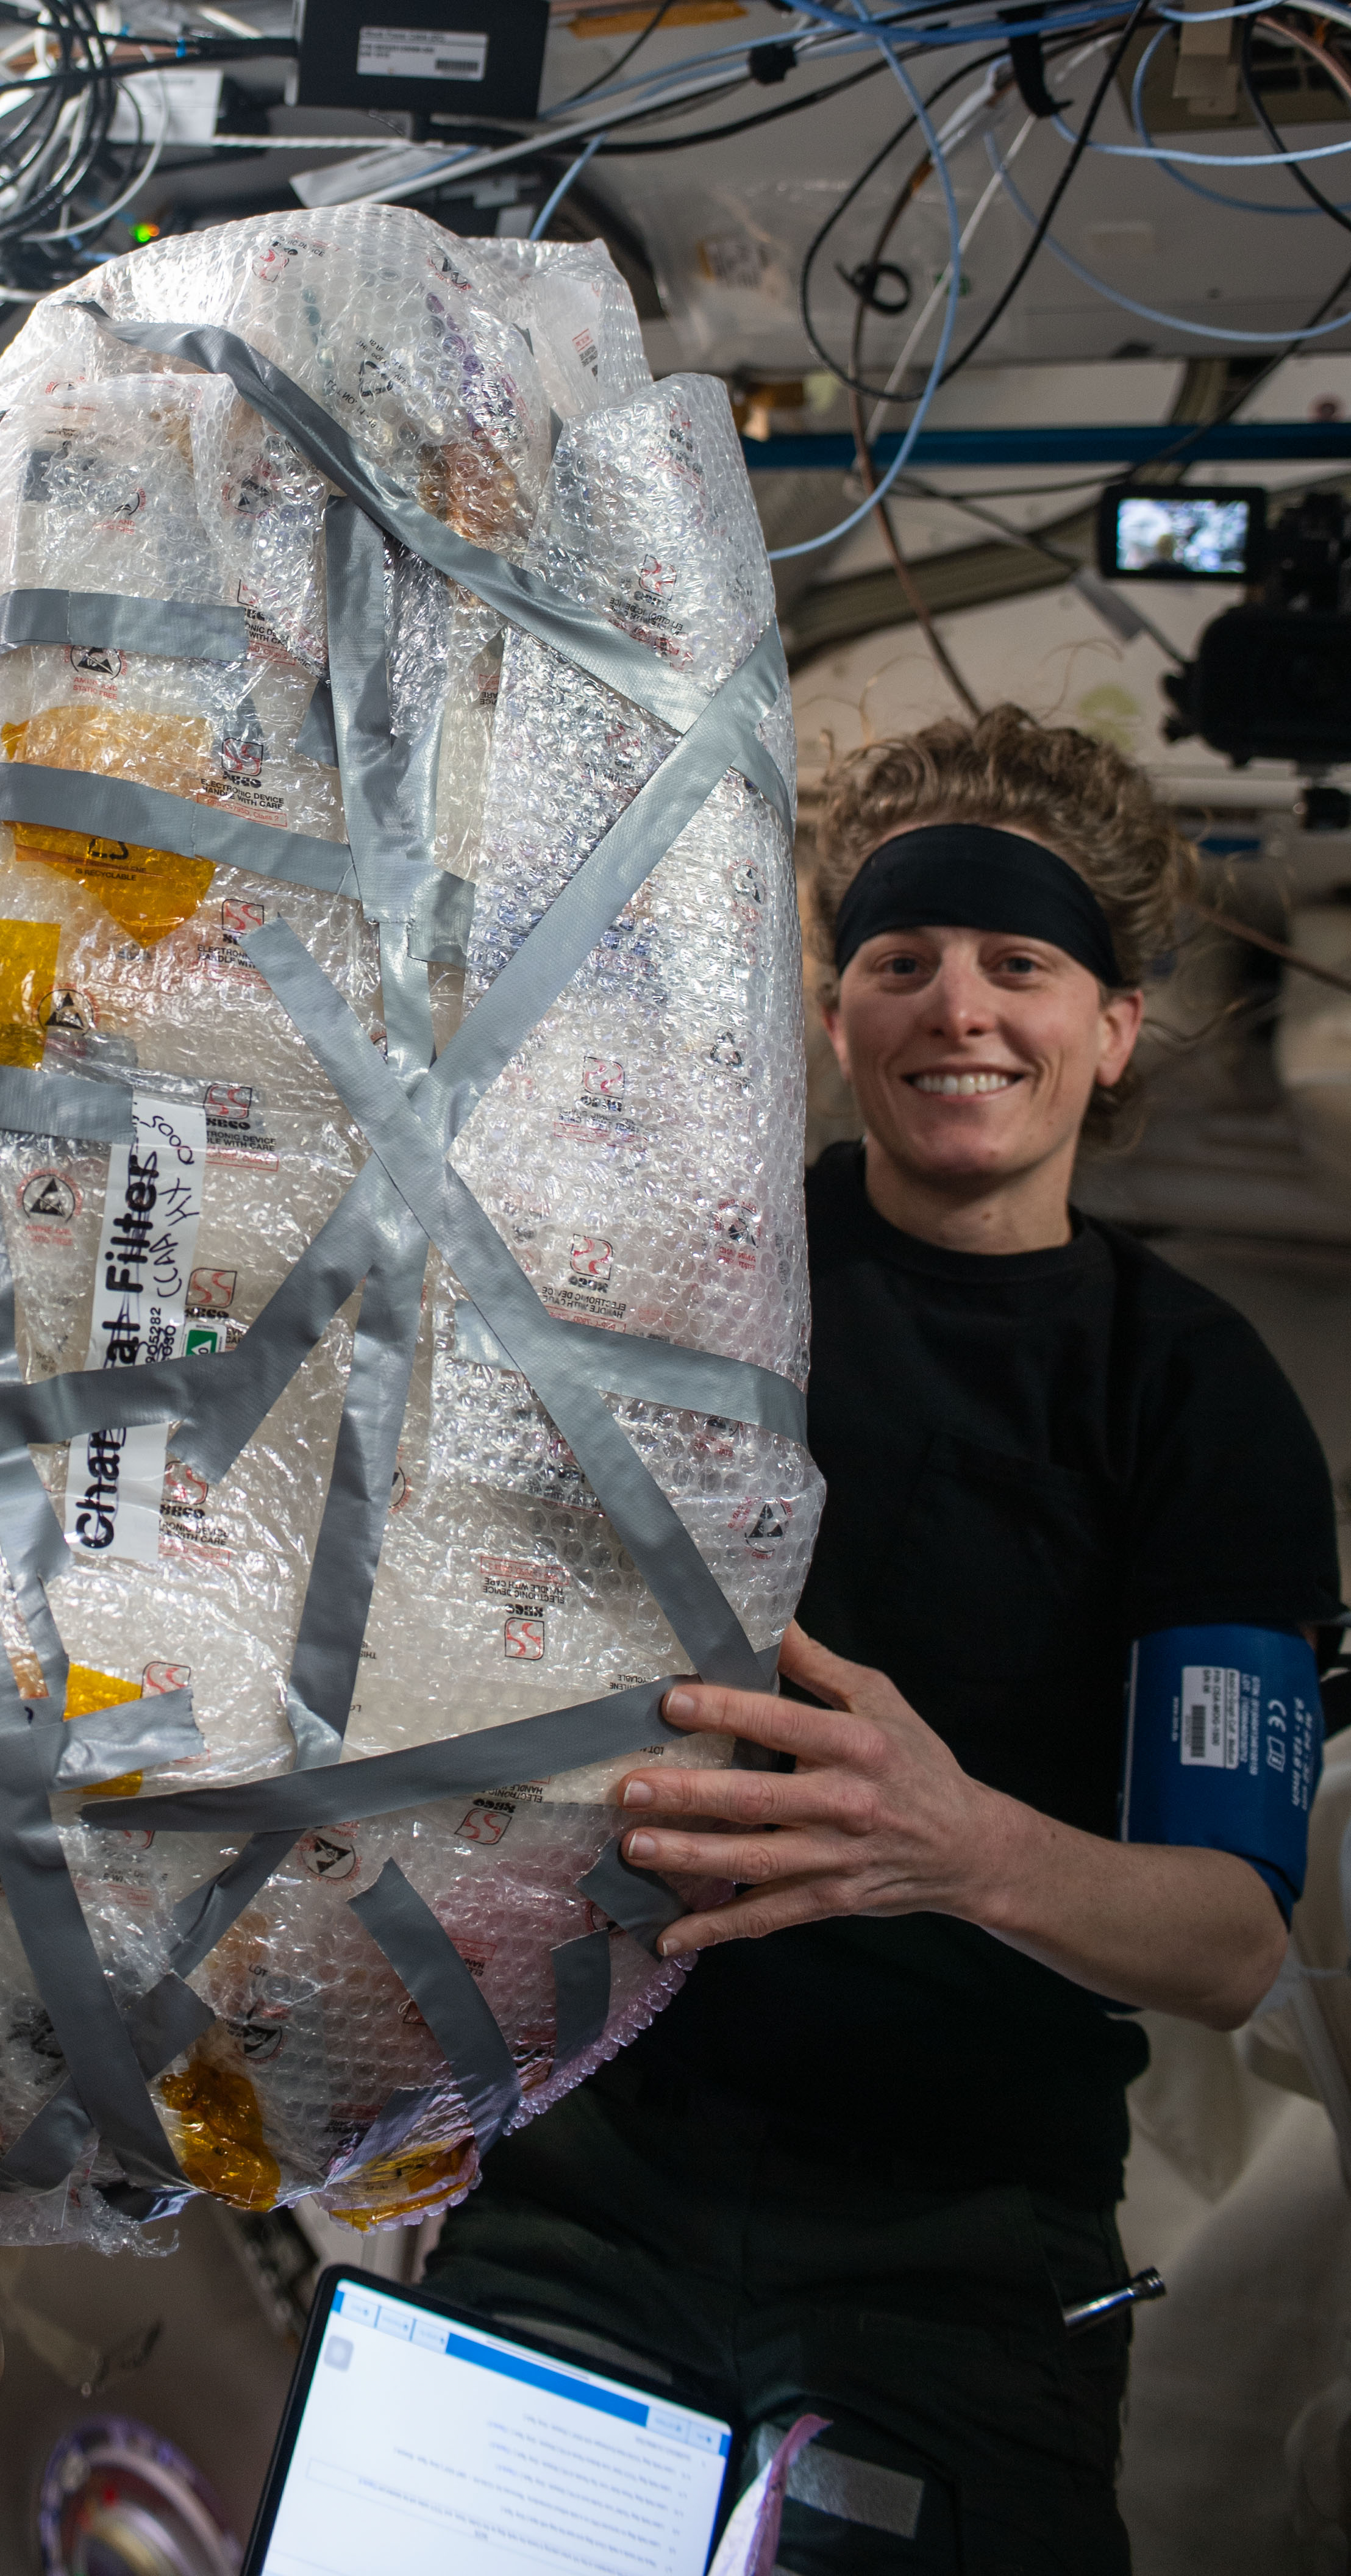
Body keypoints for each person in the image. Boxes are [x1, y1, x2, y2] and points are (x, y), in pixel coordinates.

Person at [427, 705, 1338, 2572]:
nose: (960, 1009)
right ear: (837, 1019)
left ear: (1115, 1026)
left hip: (961, 2263)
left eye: (1024, 963)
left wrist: (961, 1848)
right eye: (902, 960)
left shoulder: (1194, 1397)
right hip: (579, 2191)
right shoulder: (688, 1294)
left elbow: (1236, 1942)